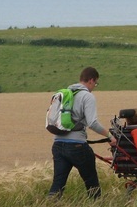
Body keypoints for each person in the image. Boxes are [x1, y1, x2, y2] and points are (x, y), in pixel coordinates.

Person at [48, 67, 116, 199]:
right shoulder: (87, 96)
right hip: (77, 146)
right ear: (91, 80)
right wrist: (109, 136)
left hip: (58, 144)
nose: (94, 87)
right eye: (95, 83)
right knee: (92, 183)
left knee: (57, 185)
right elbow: (92, 123)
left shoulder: (64, 94)